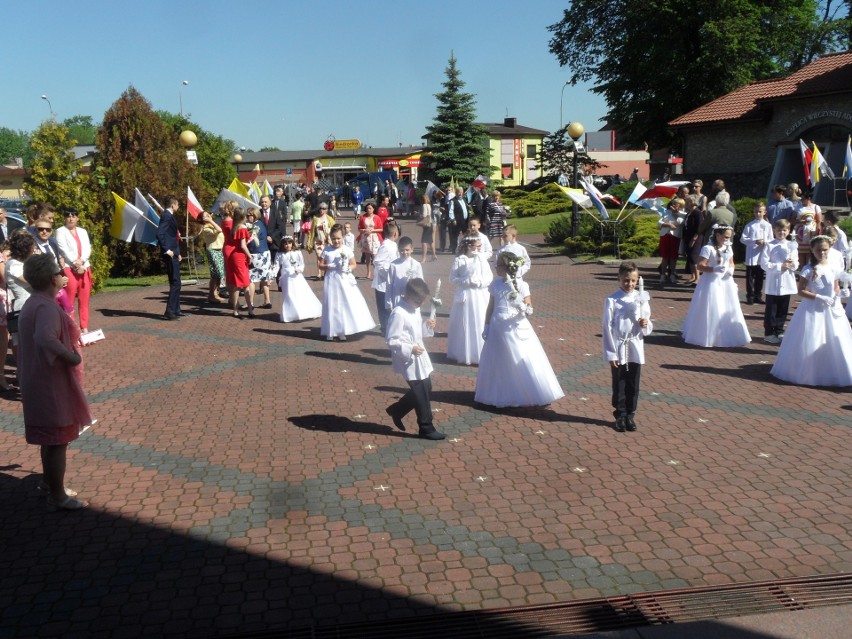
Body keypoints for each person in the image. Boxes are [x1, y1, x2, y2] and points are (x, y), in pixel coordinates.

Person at [19, 253, 95, 510]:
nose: (64, 276)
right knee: (57, 440)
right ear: (52, 279)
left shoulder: (34, 302)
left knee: (49, 438)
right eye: (60, 273)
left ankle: (49, 484)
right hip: (49, 381)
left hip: (37, 378)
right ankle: (58, 495)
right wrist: (71, 357)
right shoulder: (45, 307)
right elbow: (45, 338)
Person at [474, 251, 564, 407]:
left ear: (507, 267)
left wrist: (522, 306)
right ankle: (500, 392)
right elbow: (490, 306)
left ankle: (526, 391)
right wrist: (487, 325)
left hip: (515, 326)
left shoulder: (522, 285)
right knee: (499, 360)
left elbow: (529, 308)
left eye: (499, 265)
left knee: (520, 356)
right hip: (497, 326)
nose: (495, 268)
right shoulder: (495, 284)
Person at [770, 236, 852, 386]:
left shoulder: (833, 267)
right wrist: (819, 297)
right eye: (818, 250)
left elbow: (835, 287)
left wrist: (840, 294)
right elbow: (801, 291)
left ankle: (833, 370)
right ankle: (808, 371)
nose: (822, 253)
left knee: (834, 337)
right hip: (813, 308)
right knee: (813, 336)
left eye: (825, 250)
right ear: (812, 251)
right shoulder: (808, 269)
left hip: (832, 308)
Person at [385, 278, 445, 440]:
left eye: (422, 301)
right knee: (421, 392)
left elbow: (416, 332)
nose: (420, 304)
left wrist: (427, 326)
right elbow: (391, 340)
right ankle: (426, 427)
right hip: (408, 357)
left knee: (427, 387)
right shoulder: (398, 313)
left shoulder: (414, 308)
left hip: (419, 353)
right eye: (418, 300)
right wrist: (410, 348)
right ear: (408, 295)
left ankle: (398, 410)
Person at [602, 261, 653, 432]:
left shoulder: (641, 298)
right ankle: (620, 414)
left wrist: (645, 323)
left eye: (633, 280)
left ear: (637, 280)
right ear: (619, 279)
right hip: (619, 345)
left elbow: (647, 323)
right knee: (619, 381)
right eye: (626, 280)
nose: (630, 284)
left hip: (635, 344)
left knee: (633, 382)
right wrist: (611, 354)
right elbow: (607, 327)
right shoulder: (612, 299)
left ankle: (631, 414)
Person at [682, 225, 751, 348]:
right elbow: (700, 266)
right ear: (718, 235)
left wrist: (731, 270)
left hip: (725, 281)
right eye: (725, 237)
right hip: (711, 281)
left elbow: (731, 262)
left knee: (727, 306)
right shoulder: (708, 248)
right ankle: (708, 335)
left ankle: (726, 332)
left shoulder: (728, 247)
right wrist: (714, 269)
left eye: (729, 237)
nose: (727, 239)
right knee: (713, 306)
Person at [319, 227, 375, 341]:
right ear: (330, 238)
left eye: (338, 238)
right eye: (334, 239)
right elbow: (320, 265)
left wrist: (348, 268)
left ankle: (341, 330)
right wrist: (328, 266)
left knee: (341, 304)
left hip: (343, 279)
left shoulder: (347, 249)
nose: (336, 241)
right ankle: (330, 330)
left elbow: (354, 264)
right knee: (331, 303)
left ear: (343, 238)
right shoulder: (327, 250)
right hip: (331, 279)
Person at [447, 236, 492, 365]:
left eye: (480, 247)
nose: (478, 249)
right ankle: (464, 352)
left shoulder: (482, 260)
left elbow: (489, 277)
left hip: (479, 294)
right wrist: (465, 281)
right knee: (465, 322)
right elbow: (452, 278)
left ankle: (480, 353)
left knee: (479, 320)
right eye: (476, 246)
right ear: (468, 246)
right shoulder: (460, 260)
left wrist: (480, 283)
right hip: (465, 294)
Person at [760, 219, 798, 344]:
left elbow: (796, 263)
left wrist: (792, 265)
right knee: (772, 309)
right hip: (774, 281)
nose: (781, 232)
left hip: (786, 281)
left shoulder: (792, 245)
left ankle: (779, 330)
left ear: (789, 231)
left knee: (783, 308)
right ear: (774, 231)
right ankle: (769, 332)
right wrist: (779, 266)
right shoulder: (769, 245)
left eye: (784, 230)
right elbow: (764, 263)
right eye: (779, 230)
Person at [54, 209, 93, 331]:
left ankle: (84, 327)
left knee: (84, 299)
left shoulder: (83, 231)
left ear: (77, 218)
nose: (71, 218)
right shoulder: (60, 231)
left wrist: (82, 261)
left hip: (84, 267)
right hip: (70, 268)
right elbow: (63, 249)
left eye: (73, 216)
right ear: (64, 218)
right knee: (69, 300)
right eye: (68, 216)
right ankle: (71, 328)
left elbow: (87, 247)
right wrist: (75, 263)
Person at [275, 236, 321, 322]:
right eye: (285, 244)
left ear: (292, 243)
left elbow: (302, 264)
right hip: (286, 276)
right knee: (289, 294)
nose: (287, 245)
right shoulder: (280, 254)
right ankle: (290, 313)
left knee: (300, 292)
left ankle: (303, 311)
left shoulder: (297, 252)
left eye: (289, 243)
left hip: (296, 275)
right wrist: (273, 275)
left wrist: (299, 269)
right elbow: (276, 265)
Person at [156, 195, 183, 320]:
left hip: (174, 251)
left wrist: (178, 253)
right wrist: (167, 250)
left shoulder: (169, 216)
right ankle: (170, 310)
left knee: (177, 282)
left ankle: (176, 309)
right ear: (173, 205)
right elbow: (160, 233)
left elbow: (171, 235)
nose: (178, 206)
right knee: (175, 282)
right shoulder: (166, 216)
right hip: (170, 252)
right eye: (177, 204)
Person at [739, 202, 772, 304]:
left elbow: (771, 239)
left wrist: (764, 242)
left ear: (764, 212)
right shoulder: (750, 225)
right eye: (756, 212)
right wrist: (754, 242)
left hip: (762, 253)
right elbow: (743, 239)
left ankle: (758, 295)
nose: (758, 214)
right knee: (750, 277)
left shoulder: (768, 225)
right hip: (752, 254)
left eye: (760, 212)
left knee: (760, 276)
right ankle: (750, 296)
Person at [372, 222, 399, 335]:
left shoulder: (392, 244)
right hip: (383, 281)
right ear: (395, 233)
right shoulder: (386, 245)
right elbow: (378, 261)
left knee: (390, 304)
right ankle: (384, 327)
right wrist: (389, 272)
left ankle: (389, 326)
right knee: (383, 306)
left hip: (391, 281)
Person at [226, 208, 253, 319]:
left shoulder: (234, 227)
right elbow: (242, 245)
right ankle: (248, 309)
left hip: (234, 256)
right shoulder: (242, 227)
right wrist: (249, 255)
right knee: (244, 284)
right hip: (240, 257)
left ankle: (236, 309)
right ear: (244, 216)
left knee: (237, 284)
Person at [385, 236, 424, 313]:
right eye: (402, 250)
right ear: (398, 249)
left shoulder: (416, 264)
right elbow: (389, 284)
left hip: (412, 299)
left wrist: (420, 298)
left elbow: (421, 283)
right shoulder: (394, 265)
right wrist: (388, 303)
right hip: (397, 298)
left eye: (407, 250)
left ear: (412, 249)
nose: (405, 252)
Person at [197, 211, 226, 304]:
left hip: (219, 250)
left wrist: (211, 221)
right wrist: (211, 221)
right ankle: (211, 295)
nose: (208, 216)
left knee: (218, 274)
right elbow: (219, 230)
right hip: (213, 251)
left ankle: (215, 294)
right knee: (216, 273)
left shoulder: (211, 225)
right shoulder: (206, 228)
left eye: (208, 214)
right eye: (205, 216)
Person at [246, 208, 273, 309]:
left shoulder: (254, 227)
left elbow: (250, 241)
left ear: (255, 215)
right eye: (247, 215)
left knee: (251, 279)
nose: (247, 217)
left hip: (256, 254)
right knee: (264, 278)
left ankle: (251, 302)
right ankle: (267, 301)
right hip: (265, 253)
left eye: (249, 215)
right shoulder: (261, 224)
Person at [657, 198, 685, 286]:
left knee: (673, 257)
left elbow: (680, 222)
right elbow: (659, 222)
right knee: (665, 257)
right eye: (673, 203)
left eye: (676, 204)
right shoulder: (667, 212)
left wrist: (675, 213)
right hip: (665, 235)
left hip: (675, 237)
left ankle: (672, 275)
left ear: (680, 205)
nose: (673, 205)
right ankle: (662, 275)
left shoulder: (683, 214)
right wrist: (667, 224)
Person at [307, 203, 334, 276]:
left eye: (324, 209)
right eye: (320, 208)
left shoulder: (329, 219)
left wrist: (332, 238)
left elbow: (334, 229)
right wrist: (310, 240)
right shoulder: (316, 218)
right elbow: (312, 230)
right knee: (319, 255)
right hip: (318, 241)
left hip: (327, 241)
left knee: (326, 257)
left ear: (326, 210)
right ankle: (319, 272)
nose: (321, 210)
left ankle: (325, 271)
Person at [358, 203, 383, 279]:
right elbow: (359, 228)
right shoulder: (363, 217)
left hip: (374, 238)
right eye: (367, 208)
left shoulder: (377, 217)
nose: (369, 210)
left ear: (373, 209)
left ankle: (376, 272)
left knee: (375, 256)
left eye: (370, 208)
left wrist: (373, 230)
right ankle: (368, 272)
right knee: (367, 256)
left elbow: (381, 229)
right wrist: (364, 230)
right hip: (366, 238)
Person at [447, 187, 470, 253]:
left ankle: (465, 249)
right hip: (457, 220)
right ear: (456, 193)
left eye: (461, 192)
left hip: (465, 221)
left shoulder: (464, 199)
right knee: (455, 235)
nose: (460, 193)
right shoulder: (452, 200)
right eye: (458, 192)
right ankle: (454, 249)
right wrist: (453, 219)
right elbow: (450, 211)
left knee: (466, 235)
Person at [418, 194, 436, 263]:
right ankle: (434, 255)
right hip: (430, 223)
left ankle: (424, 257)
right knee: (430, 241)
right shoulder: (429, 205)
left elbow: (424, 215)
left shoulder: (424, 205)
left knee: (424, 241)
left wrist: (419, 215)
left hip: (426, 225)